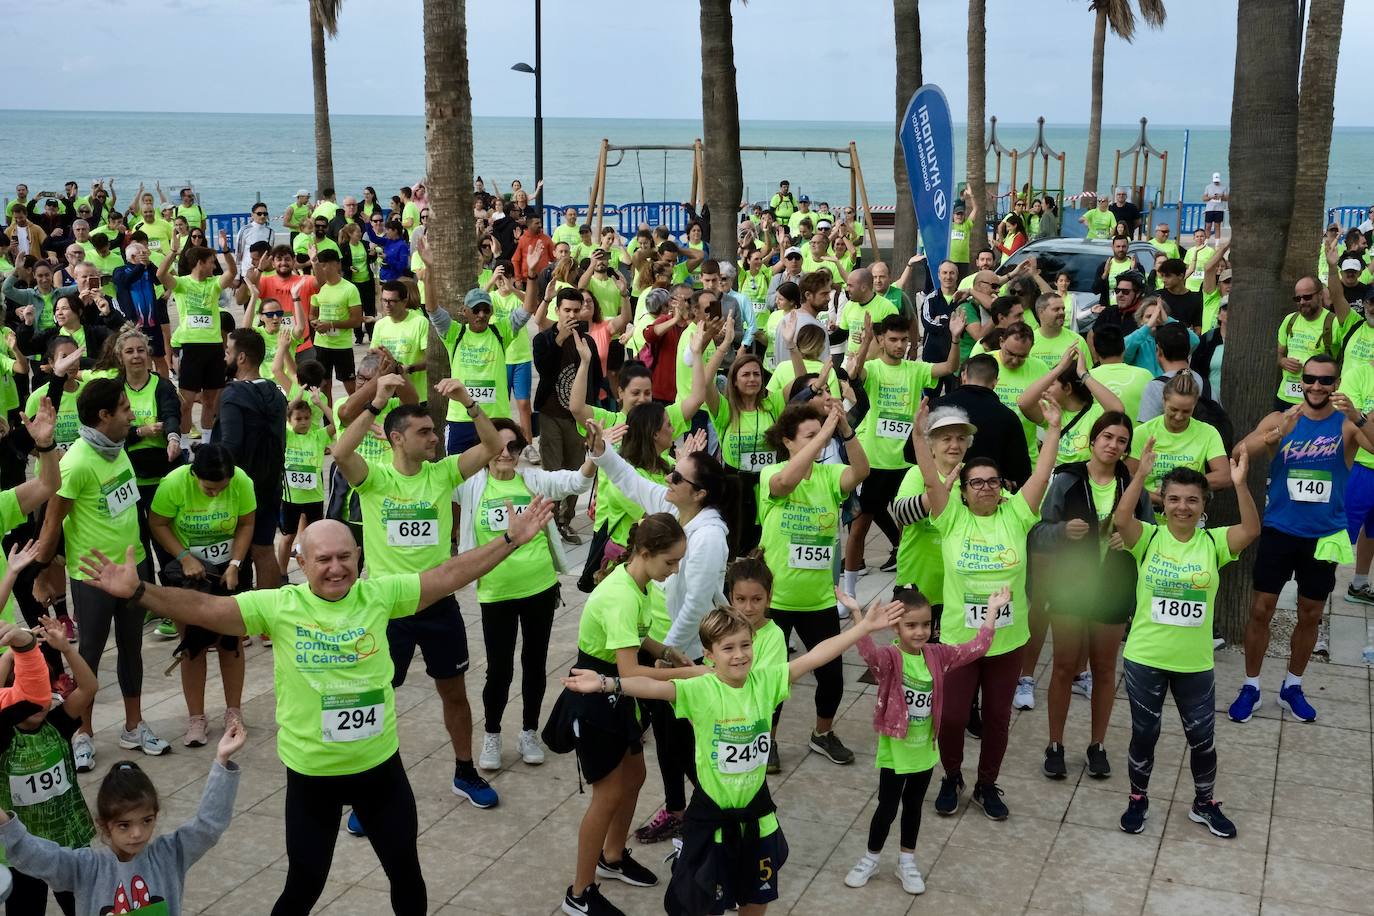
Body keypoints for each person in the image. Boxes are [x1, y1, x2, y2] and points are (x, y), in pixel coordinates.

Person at [74, 494, 554, 915]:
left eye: (345, 557)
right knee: (303, 886)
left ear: (359, 558)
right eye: (323, 559)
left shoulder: (379, 595)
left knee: (408, 880)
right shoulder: (279, 605)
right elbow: (205, 610)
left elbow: (449, 574)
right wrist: (139, 590)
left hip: (379, 771)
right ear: (300, 562)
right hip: (312, 777)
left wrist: (509, 539)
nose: (336, 567)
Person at [332, 374, 503, 822]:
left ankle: (465, 771)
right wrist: (375, 401)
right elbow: (341, 451)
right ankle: (368, 789)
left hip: (439, 605)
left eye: (434, 431)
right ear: (396, 438)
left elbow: (489, 448)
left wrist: (469, 401)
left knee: (454, 692)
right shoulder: (373, 480)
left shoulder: (443, 473)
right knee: (378, 696)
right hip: (387, 609)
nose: (434, 438)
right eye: (424, 432)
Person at [542, 513, 700, 916]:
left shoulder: (639, 582)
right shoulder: (622, 595)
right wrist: (689, 671)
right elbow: (629, 672)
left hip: (617, 695)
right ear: (644, 554)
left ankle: (611, 857)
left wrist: (664, 650)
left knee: (635, 775)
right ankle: (579, 893)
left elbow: (635, 636)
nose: (676, 569)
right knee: (607, 793)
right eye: (670, 562)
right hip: (596, 699)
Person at [585, 420, 730, 843]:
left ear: (699, 493)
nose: (666, 478)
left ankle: (715, 810)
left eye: (676, 476)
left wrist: (670, 655)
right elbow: (631, 482)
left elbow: (696, 605)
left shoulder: (708, 538)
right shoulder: (674, 513)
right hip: (660, 646)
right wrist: (599, 452)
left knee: (682, 740)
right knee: (667, 738)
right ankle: (678, 809)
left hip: (683, 652)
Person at [918, 393, 1061, 821]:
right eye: (976, 482)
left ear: (1002, 489)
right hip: (961, 639)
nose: (985, 487)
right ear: (961, 490)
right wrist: (919, 430)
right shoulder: (951, 517)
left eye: (992, 482)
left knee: (998, 719)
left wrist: (1052, 430)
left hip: (1007, 639)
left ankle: (985, 784)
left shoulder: (1016, 515)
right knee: (953, 717)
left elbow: (1042, 473)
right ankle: (952, 776)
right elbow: (928, 479)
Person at [1114, 440, 1258, 837]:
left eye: (1191, 500)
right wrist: (1140, 475)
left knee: (1202, 738)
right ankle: (1138, 798)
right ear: (1163, 503)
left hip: (1194, 663)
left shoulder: (1213, 543)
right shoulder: (1148, 538)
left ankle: (1204, 803)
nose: (1182, 507)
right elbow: (1120, 519)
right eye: (1174, 499)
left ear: (1203, 504)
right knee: (1145, 733)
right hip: (1145, 657)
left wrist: (1241, 484)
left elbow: (1250, 530)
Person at [1228, 356, 1374, 724]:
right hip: (1280, 529)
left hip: (1323, 536)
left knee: (1311, 614)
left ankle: (1293, 686)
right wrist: (1277, 434)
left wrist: (1357, 415)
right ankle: (1251, 685)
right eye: (1310, 379)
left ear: (1335, 383)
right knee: (1261, 609)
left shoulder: (1347, 424)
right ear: (1301, 380)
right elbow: (1239, 453)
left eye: (1325, 381)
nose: (1316, 387)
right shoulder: (1282, 419)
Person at [34, 379, 170, 764]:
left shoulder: (117, 447)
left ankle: (133, 726)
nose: (132, 415)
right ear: (104, 416)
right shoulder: (76, 463)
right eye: (125, 409)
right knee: (88, 654)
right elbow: (52, 521)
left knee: (132, 648)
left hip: (134, 566)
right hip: (93, 575)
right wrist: (42, 574)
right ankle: (83, 732)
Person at [842, 585, 999, 896]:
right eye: (911, 625)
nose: (920, 632)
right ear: (895, 627)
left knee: (913, 806)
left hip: (925, 752)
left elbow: (975, 648)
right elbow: (867, 652)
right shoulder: (889, 658)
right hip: (895, 751)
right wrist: (858, 613)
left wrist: (992, 611)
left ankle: (907, 862)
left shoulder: (937, 655)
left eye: (926, 625)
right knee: (886, 808)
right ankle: (870, 859)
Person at [456, 417, 594, 770]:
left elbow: (577, 479)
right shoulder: (471, 484)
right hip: (496, 593)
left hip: (539, 587)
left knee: (534, 664)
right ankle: (492, 734)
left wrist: (595, 451)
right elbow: (425, 481)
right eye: (497, 447)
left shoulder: (532, 479)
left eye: (513, 447)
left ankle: (529, 731)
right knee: (498, 671)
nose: (505, 454)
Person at [0, 720, 245, 916]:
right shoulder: (86, 867)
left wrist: (222, 761)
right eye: (124, 825)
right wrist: (4, 822)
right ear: (104, 825)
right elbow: (39, 856)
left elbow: (208, 825)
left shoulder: (170, 854)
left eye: (146, 821)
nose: (137, 833)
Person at [1033, 412, 1152, 778]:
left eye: (1121, 441)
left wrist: (1130, 539)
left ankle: (1097, 745)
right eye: (1107, 437)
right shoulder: (1067, 479)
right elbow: (1038, 530)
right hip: (1069, 585)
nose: (1113, 445)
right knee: (1065, 666)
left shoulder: (1132, 483)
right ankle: (1055, 744)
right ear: (1093, 439)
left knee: (1104, 669)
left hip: (1113, 587)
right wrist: (1062, 532)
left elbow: (1147, 532)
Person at [758, 401, 868, 767]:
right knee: (772, 679)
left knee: (832, 676)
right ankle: (767, 739)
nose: (819, 443)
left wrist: (845, 430)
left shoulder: (829, 477)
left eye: (820, 435)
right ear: (788, 441)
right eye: (808, 436)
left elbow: (862, 470)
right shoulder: (771, 473)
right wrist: (824, 431)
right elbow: (786, 482)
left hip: (819, 599)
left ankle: (822, 732)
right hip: (775, 599)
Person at [843, 311, 964, 589]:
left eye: (904, 341)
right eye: (894, 340)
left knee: (908, 526)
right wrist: (864, 344)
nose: (900, 345)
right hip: (874, 462)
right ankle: (847, 591)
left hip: (908, 464)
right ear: (882, 340)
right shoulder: (873, 369)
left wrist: (955, 339)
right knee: (859, 526)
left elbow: (948, 367)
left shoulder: (916, 369)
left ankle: (905, 581)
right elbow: (854, 374)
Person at [148, 444, 256, 748]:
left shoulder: (242, 482)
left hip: (228, 568)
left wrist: (235, 563)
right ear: (194, 474)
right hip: (190, 574)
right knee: (192, 645)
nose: (214, 494)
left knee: (230, 642)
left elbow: (247, 523)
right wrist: (183, 556)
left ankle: (233, 713)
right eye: (208, 489)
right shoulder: (173, 483)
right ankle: (196, 717)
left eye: (221, 489)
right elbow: (157, 523)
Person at [0, 608, 98, 916]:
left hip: (67, 841)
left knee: (84, 908)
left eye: (43, 693)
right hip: (22, 850)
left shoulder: (59, 722)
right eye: (27, 695)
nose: (38, 702)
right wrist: (10, 656)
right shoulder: (3, 737)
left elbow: (89, 688)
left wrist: (67, 648)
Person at [215, 329, 287, 597]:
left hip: (241, 485)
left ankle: (240, 630)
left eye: (228, 351)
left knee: (238, 552)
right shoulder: (275, 391)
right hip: (271, 481)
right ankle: (269, 620)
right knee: (264, 548)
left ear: (241, 357)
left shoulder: (232, 394)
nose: (225, 356)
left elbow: (231, 446)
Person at [533, 288, 602, 541]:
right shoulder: (543, 340)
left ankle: (565, 521)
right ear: (557, 310)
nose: (572, 315)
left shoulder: (588, 342)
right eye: (567, 310)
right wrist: (559, 340)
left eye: (576, 310)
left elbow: (596, 381)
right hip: (551, 414)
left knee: (577, 470)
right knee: (552, 472)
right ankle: (548, 524)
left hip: (578, 419)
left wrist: (591, 421)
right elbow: (544, 369)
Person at [156, 231, 235, 439]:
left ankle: (208, 443)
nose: (214, 266)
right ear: (200, 263)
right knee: (186, 402)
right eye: (211, 262)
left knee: (210, 400)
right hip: (190, 348)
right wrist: (173, 251)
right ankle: (182, 445)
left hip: (214, 348)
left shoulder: (214, 284)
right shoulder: (181, 283)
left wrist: (225, 250)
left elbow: (232, 273)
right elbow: (160, 275)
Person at [1127, 372, 1232, 508]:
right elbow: (1128, 479)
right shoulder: (1142, 432)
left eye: (1186, 411)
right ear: (1164, 402)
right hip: (1149, 512)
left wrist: (1178, 488)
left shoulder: (1208, 432)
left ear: (1195, 405)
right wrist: (1159, 499)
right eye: (1173, 409)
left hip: (1187, 511)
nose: (1178, 416)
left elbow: (1224, 476)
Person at [932, 354, 1032, 489]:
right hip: (986, 494)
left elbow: (911, 453)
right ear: (995, 382)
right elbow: (1021, 472)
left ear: (964, 375)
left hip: (938, 489)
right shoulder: (1008, 417)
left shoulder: (935, 407)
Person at [1088, 324, 1154, 422]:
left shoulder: (1086, 379)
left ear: (1096, 352)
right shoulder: (1146, 375)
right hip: (1142, 437)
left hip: (1098, 436)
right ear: (1124, 349)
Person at [1202, 172, 1228, 240]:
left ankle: (1217, 243)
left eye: (1217, 181)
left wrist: (1221, 197)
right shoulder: (1208, 187)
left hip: (1219, 209)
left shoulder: (1224, 187)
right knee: (1208, 226)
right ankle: (1206, 242)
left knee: (1217, 226)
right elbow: (1204, 198)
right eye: (1215, 181)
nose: (1216, 182)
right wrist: (1211, 197)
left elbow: (1227, 198)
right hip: (1209, 209)